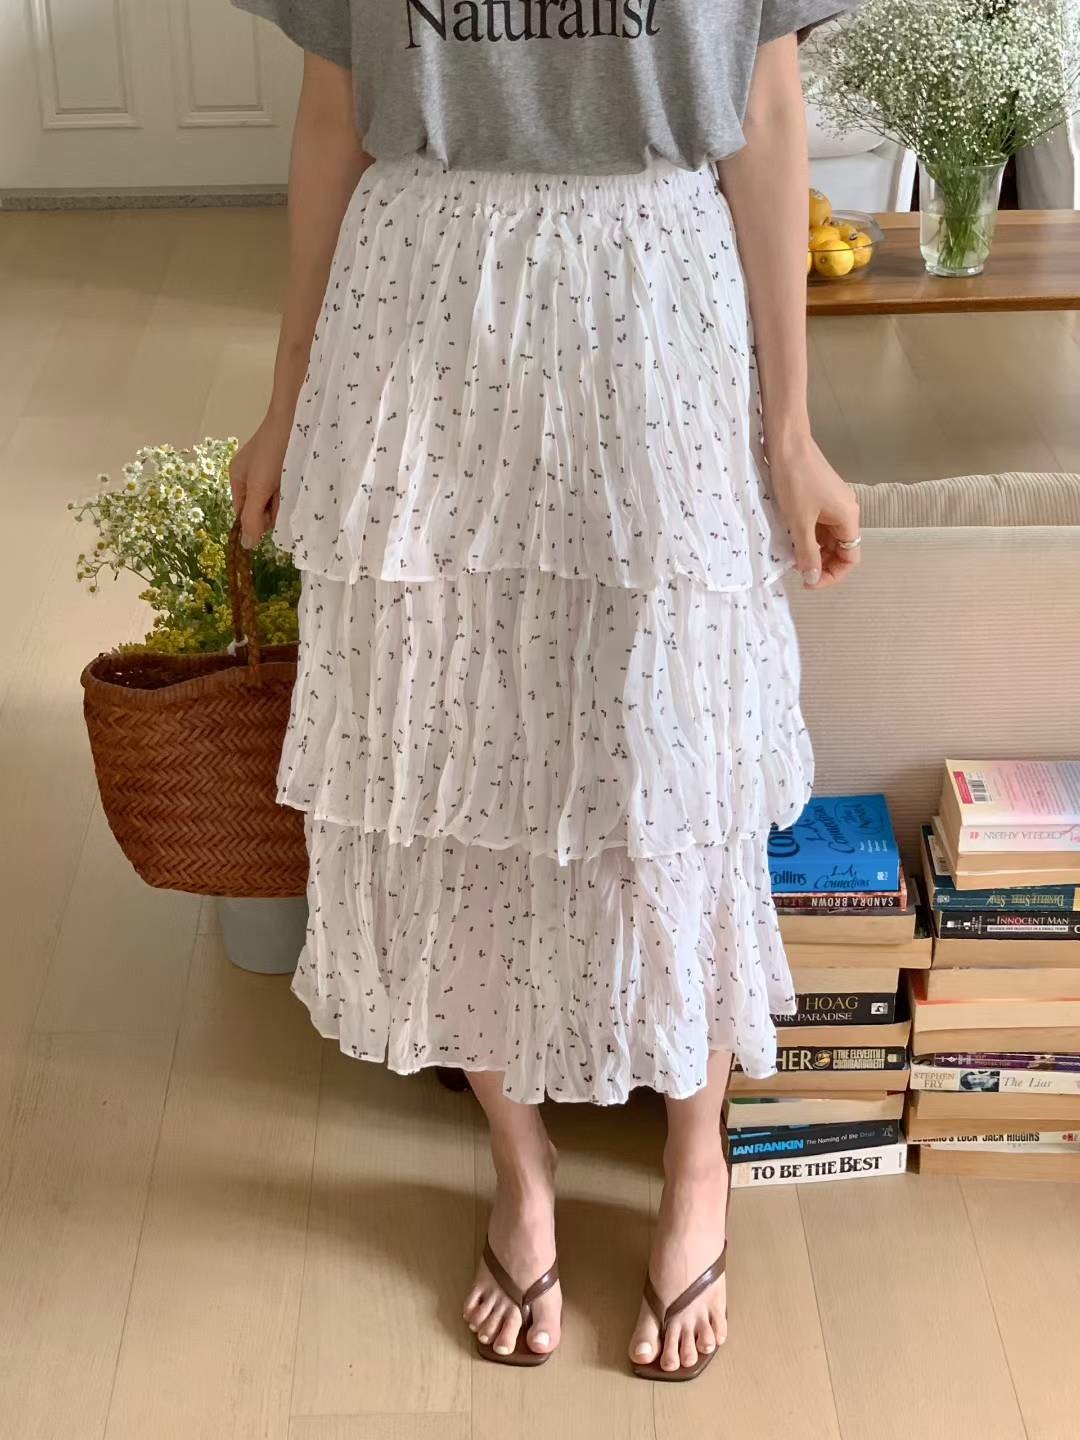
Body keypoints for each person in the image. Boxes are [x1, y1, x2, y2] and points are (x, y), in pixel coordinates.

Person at [229, 0, 863, 1382]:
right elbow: (334, 116)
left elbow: (763, 110)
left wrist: (792, 432)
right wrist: (287, 398)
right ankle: (519, 1166)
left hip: (658, 293)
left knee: (670, 754)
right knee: (449, 747)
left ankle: (695, 1155)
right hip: (423, 300)